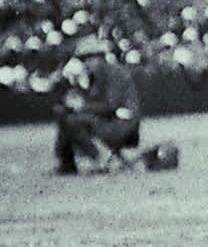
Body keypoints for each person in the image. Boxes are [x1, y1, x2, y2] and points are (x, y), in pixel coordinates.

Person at [53, 36, 142, 175]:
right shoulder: (95, 76)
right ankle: (66, 163)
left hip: (122, 125)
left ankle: (100, 158)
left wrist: (82, 106)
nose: (86, 63)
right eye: (83, 59)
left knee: (72, 120)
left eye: (89, 58)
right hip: (108, 121)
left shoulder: (116, 73)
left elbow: (110, 105)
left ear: (101, 57)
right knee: (63, 114)